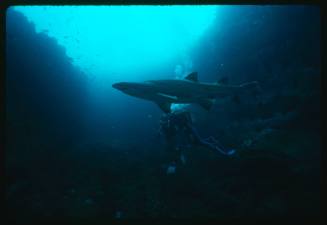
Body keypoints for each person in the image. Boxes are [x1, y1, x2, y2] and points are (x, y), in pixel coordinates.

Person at [159, 110, 235, 174]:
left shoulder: (171, 123)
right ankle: (211, 140)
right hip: (187, 131)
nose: (162, 124)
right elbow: (175, 136)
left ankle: (225, 153)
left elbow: (178, 132)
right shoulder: (168, 126)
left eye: (163, 123)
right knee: (197, 143)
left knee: (200, 143)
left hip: (189, 129)